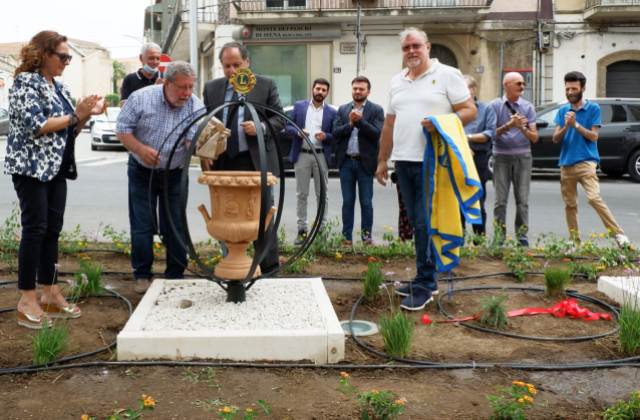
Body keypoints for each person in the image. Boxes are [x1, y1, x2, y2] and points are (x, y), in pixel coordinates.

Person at [4, 30, 104, 328]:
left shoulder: (57, 87)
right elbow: (37, 126)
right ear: (44, 54)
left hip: (56, 168)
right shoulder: (25, 83)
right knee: (35, 229)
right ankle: (26, 299)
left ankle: (49, 291)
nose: (67, 62)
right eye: (63, 56)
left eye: (70, 57)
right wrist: (76, 115)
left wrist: (85, 114)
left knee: (52, 230)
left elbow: (68, 130)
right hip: (31, 168)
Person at [375, 27, 476, 311]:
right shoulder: (397, 81)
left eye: (416, 46)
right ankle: (422, 275)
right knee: (417, 224)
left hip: (433, 163)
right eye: (406, 48)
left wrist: (443, 123)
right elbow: (390, 123)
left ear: (428, 47)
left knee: (425, 222)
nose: (411, 51)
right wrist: (383, 160)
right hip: (404, 162)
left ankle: (427, 284)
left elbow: (469, 110)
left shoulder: (447, 75)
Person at [116, 61, 205, 293]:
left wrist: (197, 145)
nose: (187, 93)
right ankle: (142, 275)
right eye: (182, 88)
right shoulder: (141, 98)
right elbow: (122, 129)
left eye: (190, 87)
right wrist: (140, 149)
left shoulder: (196, 105)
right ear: (167, 83)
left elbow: (197, 141)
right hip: (141, 171)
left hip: (174, 173)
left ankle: (175, 274)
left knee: (174, 223)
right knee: (142, 224)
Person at [202, 42, 284, 274]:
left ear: (247, 63)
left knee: (261, 213)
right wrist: (205, 154)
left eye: (236, 64)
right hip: (223, 161)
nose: (232, 70)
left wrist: (261, 127)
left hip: (255, 160)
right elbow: (206, 123)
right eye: (227, 66)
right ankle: (232, 263)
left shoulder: (265, 85)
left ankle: (268, 267)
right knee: (225, 213)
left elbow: (280, 119)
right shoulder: (212, 88)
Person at [552, 71, 631, 248]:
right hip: (566, 164)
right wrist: (566, 126)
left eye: (574, 88)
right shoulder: (563, 110)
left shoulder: (593, 108)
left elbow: (594, 136)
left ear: (583, 88)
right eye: (567, 88)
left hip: (586, 162)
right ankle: (574, 241)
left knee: (594, 198)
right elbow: (556, 138)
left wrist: (576, 125)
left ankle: (619, 235)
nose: (570, 92)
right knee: (570, 205)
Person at [333, 76, 384, 246]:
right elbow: (336, 133)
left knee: (366, 203)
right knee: (347, 202)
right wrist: (350, 124)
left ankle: (366, 238)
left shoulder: (376, 110)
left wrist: (360, 121)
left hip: (365, 163)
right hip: (346, 162)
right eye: (355, 88)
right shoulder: (342, 109)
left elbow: (377, 133)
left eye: (361, 89)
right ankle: (346, 238)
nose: (358, 91)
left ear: (368, 91)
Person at [285, 78, 337, 245]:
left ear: (327, 93)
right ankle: (302, 230)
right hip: (302, 154)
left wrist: (326, 136)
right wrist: (298, 132)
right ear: (312, 89)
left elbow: (335, 134)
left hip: (321, 154)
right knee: (302, 194)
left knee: (322, 194)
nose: (320, 92)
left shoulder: (332, 112)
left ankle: (321, 230)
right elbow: (287, 126)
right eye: (317, 89)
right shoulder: (299, 106)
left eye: (323, 90)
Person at [490, 72, 538, 247]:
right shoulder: (494, 106)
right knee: (500, 201)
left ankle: (522, 237)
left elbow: (534, 138)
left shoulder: (528, 107)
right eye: (518, 83)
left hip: (523, 157)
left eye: (523, 84)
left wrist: (522, 128)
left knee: (522, 201)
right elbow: (491, 135)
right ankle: (499, 237)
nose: (522, 87)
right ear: (506, 85)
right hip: (501, 157)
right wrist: (509, 125)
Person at [461, 74, 497, 238]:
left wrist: (467, 138)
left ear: (474, 89)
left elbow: (489, 133)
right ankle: (458, 238)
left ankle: (479, 239)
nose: (463, 92)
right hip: (459, 157)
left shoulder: (486, 108)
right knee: (458, 199)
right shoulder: (455, 109)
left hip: (479, 157)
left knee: (477, 198)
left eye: (467, 88)